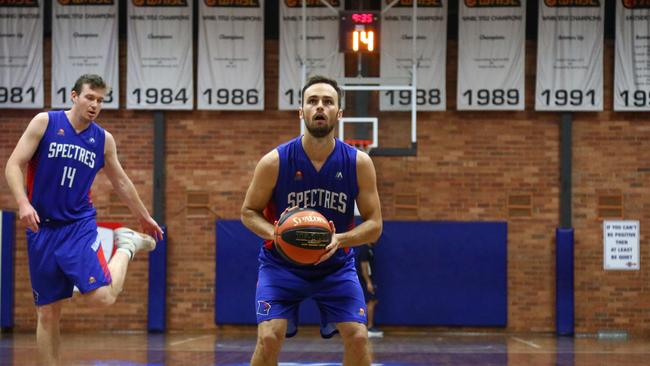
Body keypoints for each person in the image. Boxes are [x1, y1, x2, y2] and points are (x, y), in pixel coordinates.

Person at [4, 74, 164, 366]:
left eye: (101, 100)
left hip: (77, 225)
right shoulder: (45, 123)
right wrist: (23, 202)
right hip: (41, 229)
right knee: (48, 312)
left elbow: (123, 183)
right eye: (90, 97)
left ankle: (127, 245)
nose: (95, 105)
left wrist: (145, 217)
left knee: (102, 298)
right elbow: (14, 164)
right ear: (74, 96)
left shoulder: (103, 140)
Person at [241, 75, 383, 366]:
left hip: (335, 267)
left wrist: (340, 239)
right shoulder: (275, 162)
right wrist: (277, 234)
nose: (320, 107)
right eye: (313, 101)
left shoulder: (358, 163)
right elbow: (248, 212)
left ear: (339, 113)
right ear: (301, 111)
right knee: (269, 337)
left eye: (328, 102)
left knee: (358, 337)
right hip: (281, 266)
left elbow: (375, 226)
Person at [356, 241, 383, 338]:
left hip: (369, 280)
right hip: (365, 281)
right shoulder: (365, 249)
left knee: (373, 301)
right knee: (370, 302)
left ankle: (366, 326)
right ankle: (368, 327)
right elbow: (364, 268)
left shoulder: (370, 249)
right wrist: (368, 282)